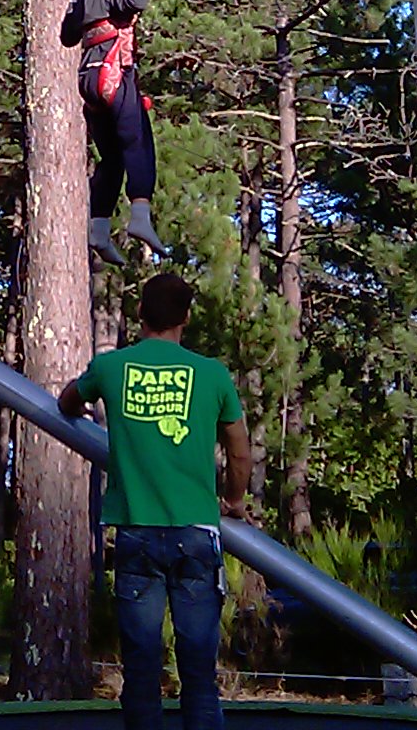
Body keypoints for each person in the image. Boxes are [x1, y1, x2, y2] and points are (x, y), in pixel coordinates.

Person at [59, 272, 250, 730]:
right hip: (196, 534)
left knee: (141, 675)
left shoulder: (111, 368)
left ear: (140, 313)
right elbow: (240, 452)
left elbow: (67, 400)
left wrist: (80, 407)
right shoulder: (211, 373)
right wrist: (235, 500)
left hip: (137, 534)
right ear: (187, 316)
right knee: (199, 677)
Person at [63, 0, 167, 263]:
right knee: (139, 143)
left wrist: (75, 1)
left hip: (89, 83)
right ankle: (139, 214)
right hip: (113, 77)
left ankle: (99, 227)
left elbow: (67, 36)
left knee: (112, 159)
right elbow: (136, 1)